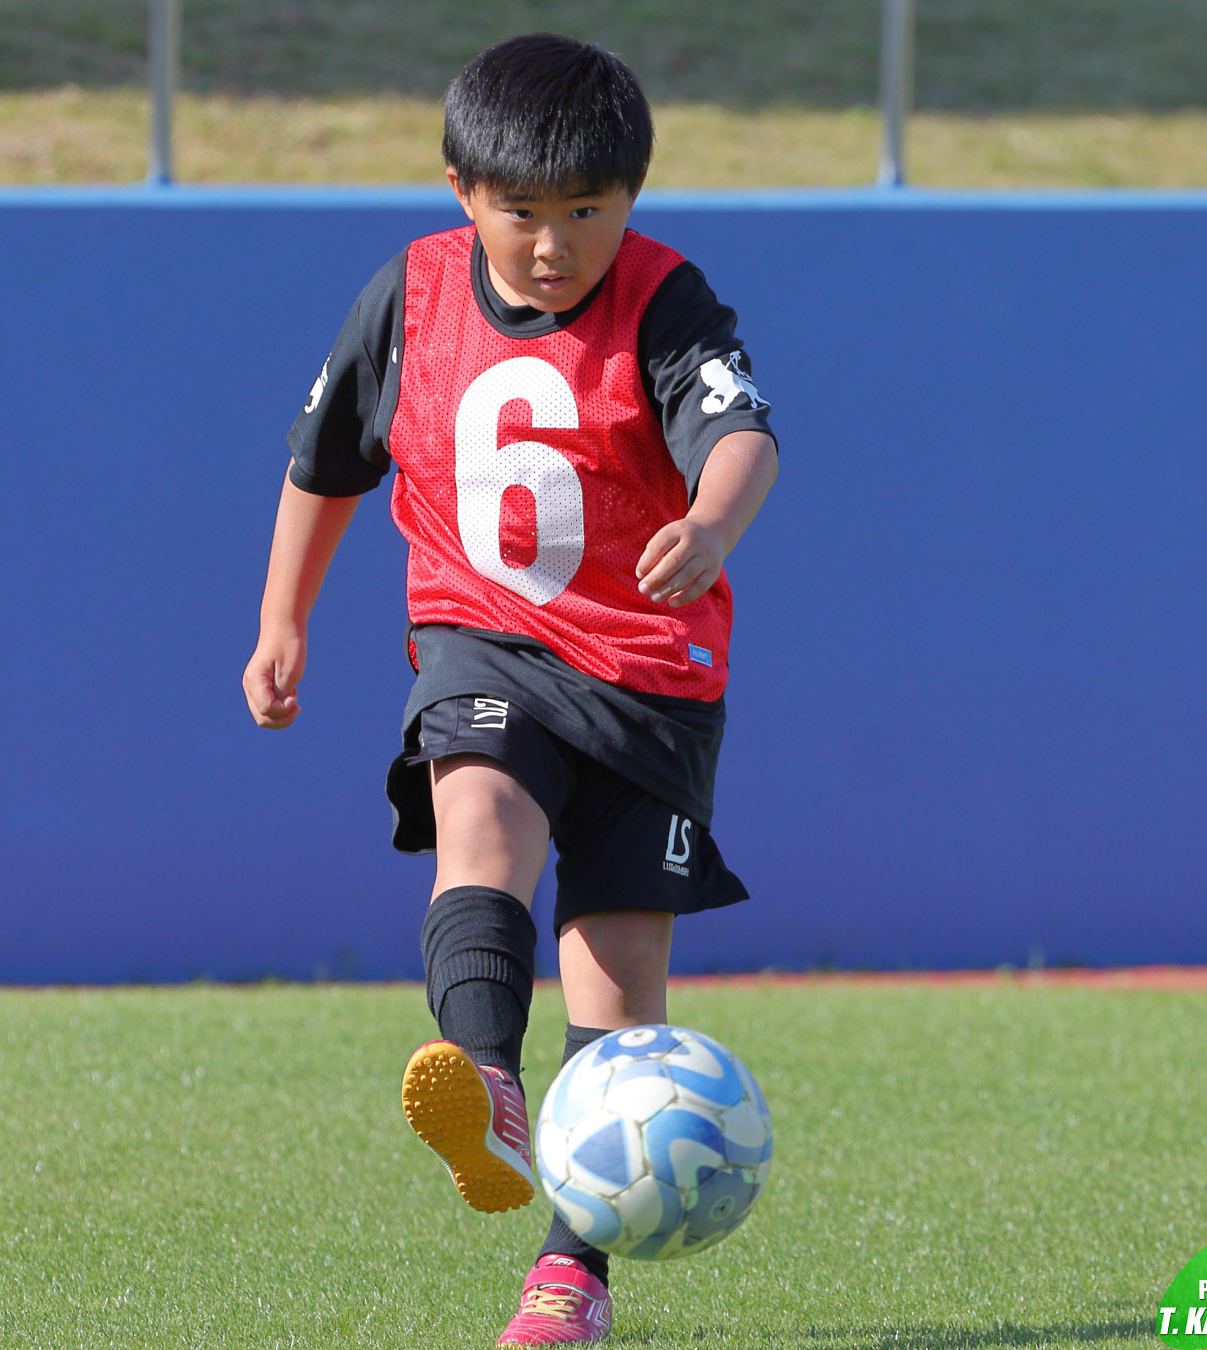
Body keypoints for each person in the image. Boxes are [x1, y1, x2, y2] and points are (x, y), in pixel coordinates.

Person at [242, 32, 778, 1346]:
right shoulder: (411, 295)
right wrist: (281, 618)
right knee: (478, 821)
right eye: (523, 212)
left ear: (632, 197)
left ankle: (569, 1274)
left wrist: (711, 524)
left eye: (586, 212)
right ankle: (485, 1078)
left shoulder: (664, 298)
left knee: (617, 986)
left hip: (649, 676)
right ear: (462, 191)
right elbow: (327, 463)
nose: (554, 244)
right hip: (482, 640)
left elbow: (743, 433)